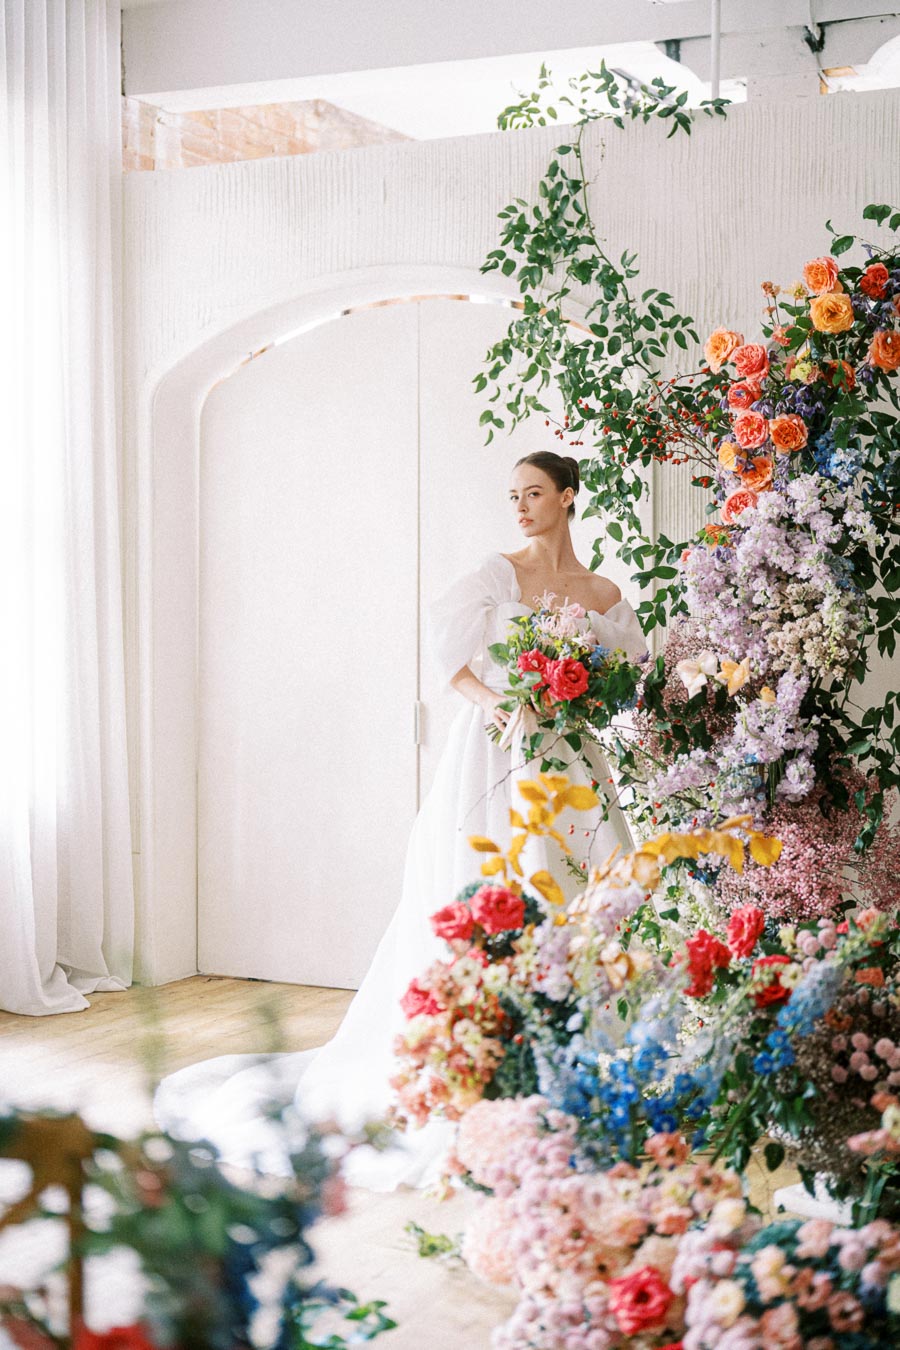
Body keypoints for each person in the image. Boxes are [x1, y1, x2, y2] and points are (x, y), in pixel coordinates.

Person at [155, 452, 648, 1187]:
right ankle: (482, 1052)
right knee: (489, 887)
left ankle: (579, 1053)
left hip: (569, 754)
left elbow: (627, 679)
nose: (519, 506)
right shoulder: (495, 573)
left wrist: (577, 699)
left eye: (534, 493)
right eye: (512, 494)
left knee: (577, 893)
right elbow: (450, 659)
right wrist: (506, 703)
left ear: (568, 497)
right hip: (494, 751)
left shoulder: (602, 591)